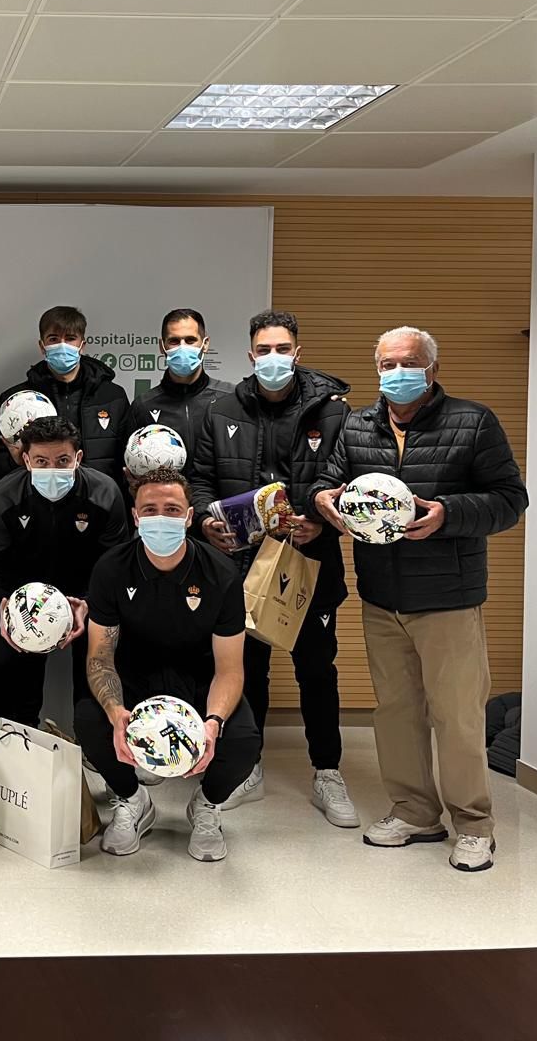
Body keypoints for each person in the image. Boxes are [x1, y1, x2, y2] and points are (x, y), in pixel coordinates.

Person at [312, 327, 528, 873]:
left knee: (457, 715)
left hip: (448, 597)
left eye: (407, 363)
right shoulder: (357, 424)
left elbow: (509, 500)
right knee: (397, 712)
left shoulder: (472, 421)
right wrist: (324, 499)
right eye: (386, 364)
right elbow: (328, 479)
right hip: (381, 595)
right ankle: (414, 812)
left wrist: (447, 515)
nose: (396, 373)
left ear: (431, 367)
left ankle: (474, 824)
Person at [188, 310, 356, 827]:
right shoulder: (221, 409)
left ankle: (327, 771)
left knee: (316, 671)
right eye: (264, 350)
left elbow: (350, 481)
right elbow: (199, 479)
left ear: (298, 353)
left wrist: (324, 526)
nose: (274, 359)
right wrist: (206, 522)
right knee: (249, 671)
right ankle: (249, 765)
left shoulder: (334, 412)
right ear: (250, 356)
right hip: (242, 564)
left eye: (283, 349)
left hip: (309, 562)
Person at [76, 470, 261, 862]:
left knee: (244, 740)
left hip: (198, 680)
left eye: (172, 509)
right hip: (134, 677)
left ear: (189, 517)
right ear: (136, 517)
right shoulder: (111, 568)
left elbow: (230, 669)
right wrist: (115, 712)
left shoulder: (222, 574)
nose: (162, 517)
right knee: (89, 720)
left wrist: (213, 723)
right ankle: (133, 799)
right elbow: (99, 657)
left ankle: (207, 806)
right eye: (151, 510)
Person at [0, 417, 128, 727]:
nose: (52, 469)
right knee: (3, 669)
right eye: (42, 461)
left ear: (78, 458)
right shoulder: (5, 496)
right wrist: (4, 606)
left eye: (62, 461)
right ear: (26, 460)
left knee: (99, 673)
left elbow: (116, 564)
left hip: (87, 593)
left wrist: (89, 603)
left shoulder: (105, 492)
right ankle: (3, 748)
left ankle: (95, 755)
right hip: (22, 596)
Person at [0, 305, 130, 482]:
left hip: (98, 500)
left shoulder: (113, 396)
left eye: (70, 338)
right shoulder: (15, 400)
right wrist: (16, 461)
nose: (62, 346)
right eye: (53, 339)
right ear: (42, 346)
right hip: (36, 500)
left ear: (82, 345)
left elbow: (126, 459)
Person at [120, 308, 233, 470]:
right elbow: (130, 466)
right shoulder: (143, 406)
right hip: (164, 495)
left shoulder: (230, 398)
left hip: (218, 496)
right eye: (174, 341)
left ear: (205, 344)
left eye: (190, 340)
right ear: (162, 346)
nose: (182, 347)